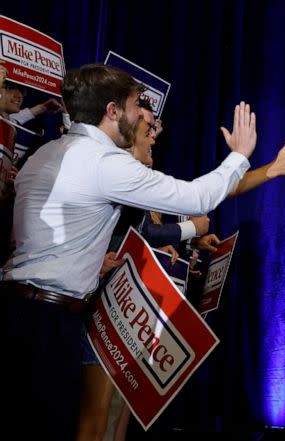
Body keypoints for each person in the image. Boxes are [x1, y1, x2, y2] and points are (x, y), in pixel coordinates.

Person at [0, 63, 257, 441]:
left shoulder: (45, 153)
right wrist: (239, 155)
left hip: (16, 311)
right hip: (49, 324)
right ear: (113, 111)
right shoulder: (105, 162)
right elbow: (196, 197)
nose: (143, 117)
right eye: (137, 105)